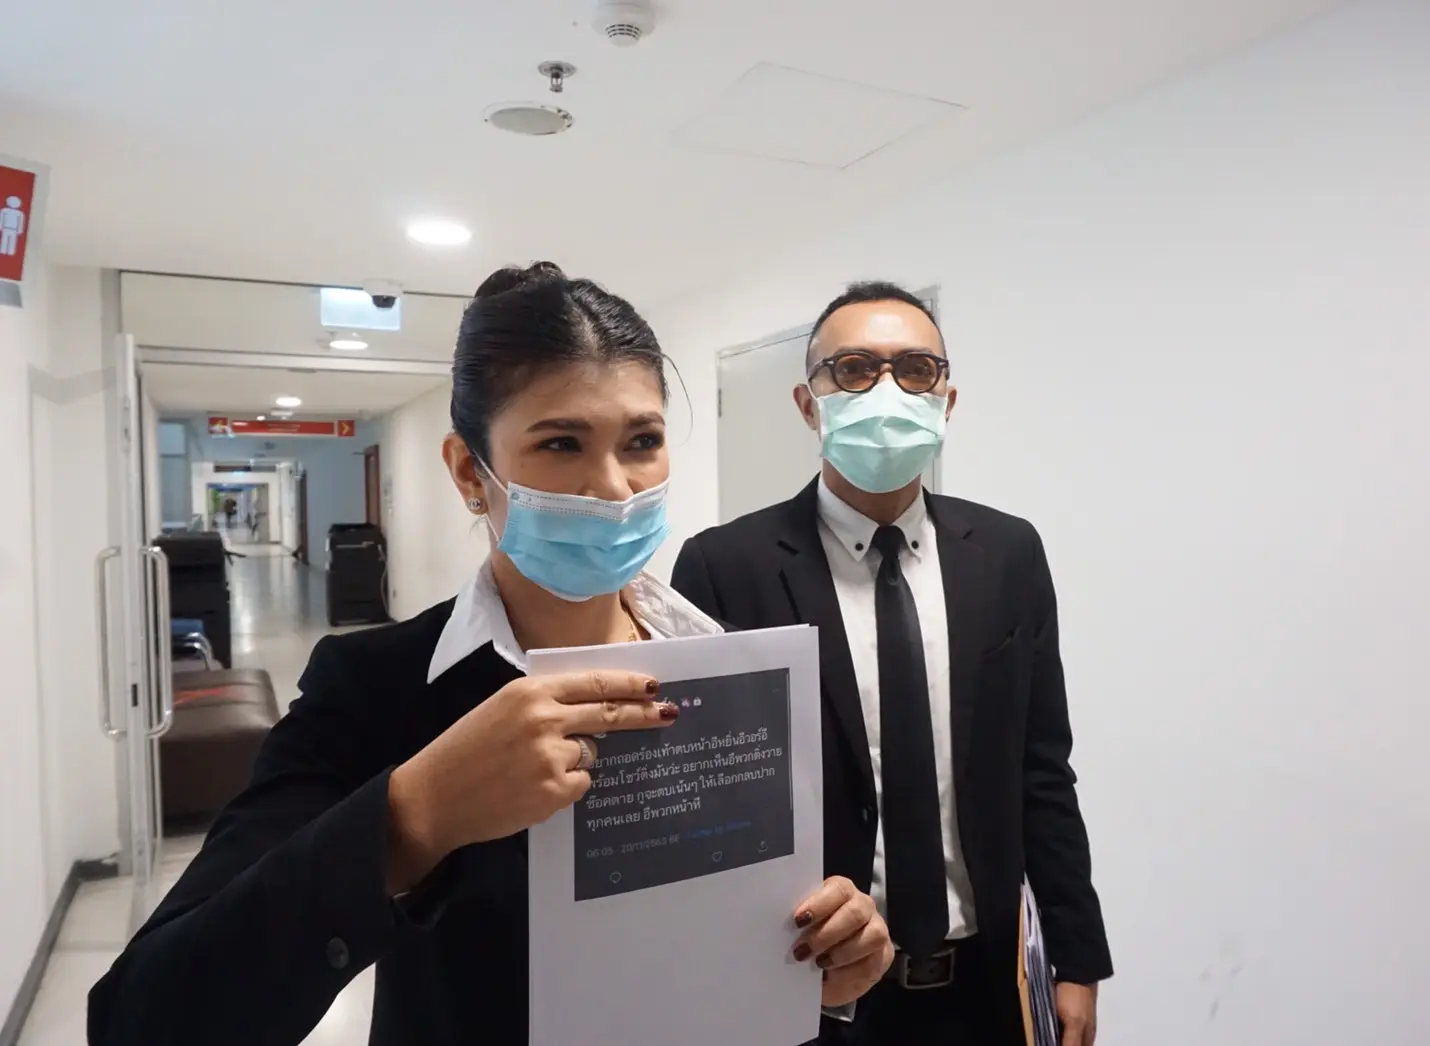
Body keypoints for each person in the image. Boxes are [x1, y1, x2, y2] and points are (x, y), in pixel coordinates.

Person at [88, 263, 893, 1046]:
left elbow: (767, 921)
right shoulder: (375, 689)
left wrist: (826, 953)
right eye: (561, 443)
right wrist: (413, 816)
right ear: (469, 471)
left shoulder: (729, 663)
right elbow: (143, 1016)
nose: (615, 487)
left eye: (642, 440)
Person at [671, 282, 1113, 1046]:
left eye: (914, 369)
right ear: (809, 404)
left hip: (986, 988)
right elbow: (705, 803)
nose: (886, 390)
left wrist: (1076, 959)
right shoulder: (724, 568)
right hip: (812, 988)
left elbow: (1042, 771)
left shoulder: (1007, 553)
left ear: (946, 400)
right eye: (853, 369)